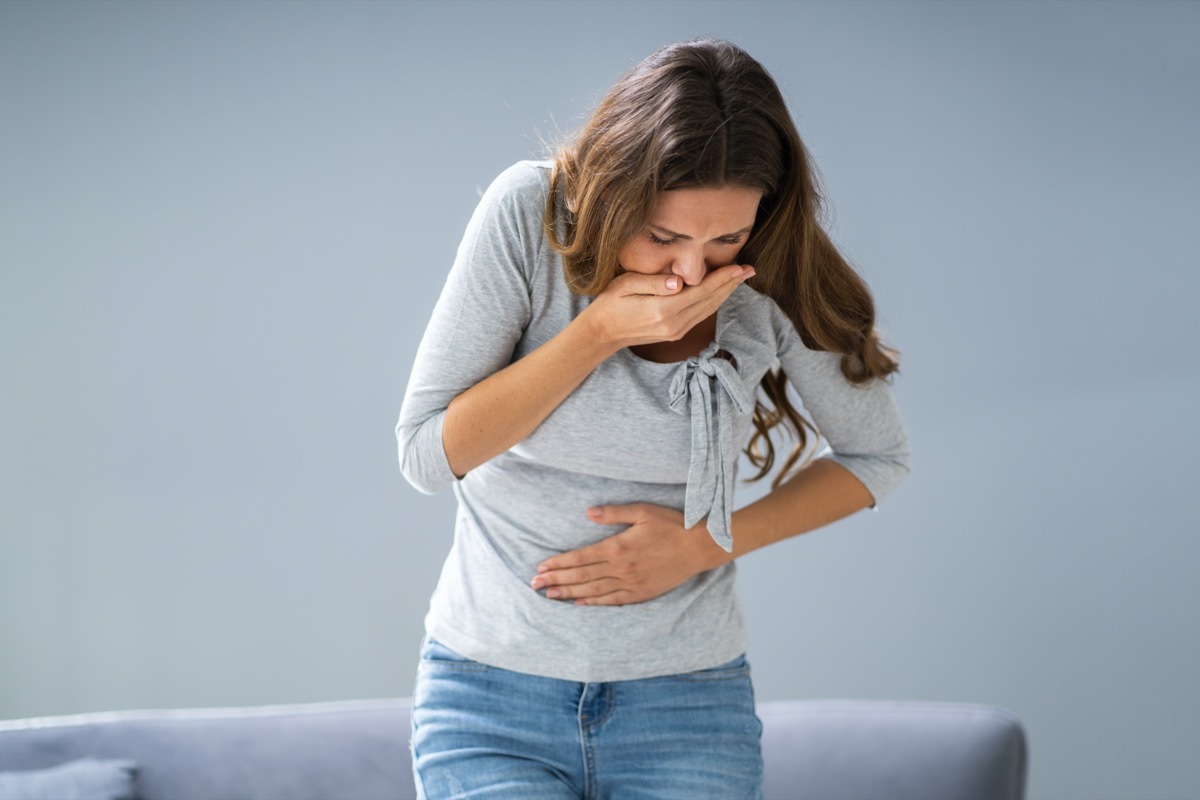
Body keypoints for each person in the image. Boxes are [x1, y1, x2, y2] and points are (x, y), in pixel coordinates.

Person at [396, 38, 910, 800]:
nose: (691, 273)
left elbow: (878, 457)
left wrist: (699, 548)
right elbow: (427, 455)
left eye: (725, 239)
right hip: (489, 695)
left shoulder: (776, 266)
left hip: (687, 705)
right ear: (613, 194)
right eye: (663, 237)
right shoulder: (528, 216)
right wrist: (598, 332)